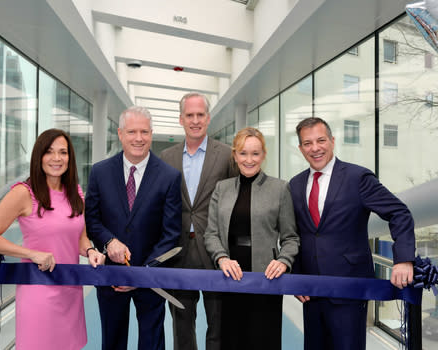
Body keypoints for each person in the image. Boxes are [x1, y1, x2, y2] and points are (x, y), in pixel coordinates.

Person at [289, 117, 416, 350]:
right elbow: (296, 234)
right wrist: (297, 277)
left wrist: (404, 259)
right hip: (312, 291)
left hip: (349, 288)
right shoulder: (295, 185)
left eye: (320, 140)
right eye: (307, 143)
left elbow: (399, 213)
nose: (315, 148)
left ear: (332, 141)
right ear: (300, 148)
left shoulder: (358, 177)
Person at [0, 128, 104, 350]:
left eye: (63, 152)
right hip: (39, 292)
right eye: (49, 152)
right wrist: (31, 253)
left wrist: (91, 251)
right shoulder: (23, 193)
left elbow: (81, 238)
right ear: (39, 157)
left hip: (70, 290)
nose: (57, 158)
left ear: (70, 158)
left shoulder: (75, 191)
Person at [85, 106, 182, 350]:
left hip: (150, 278)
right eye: (132, 132)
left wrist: (141, 274)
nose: (138, 138)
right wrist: (109, 242)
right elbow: (92, 220)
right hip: (110, 276)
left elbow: (170, 234)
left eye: (144, 132)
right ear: (120, 134)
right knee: (113, 341)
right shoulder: (99, 172)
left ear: (151, 133)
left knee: (152, 343)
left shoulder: (169, 176)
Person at [204, 127, 300, 350]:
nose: (249, 159)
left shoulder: (280, 188)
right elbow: (211, 233)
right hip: (229, 276)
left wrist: (283, 261)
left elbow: (291, 237)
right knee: (231, 339)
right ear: (235, 155)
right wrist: (222, 259)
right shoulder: (222, 188)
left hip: (266, 278)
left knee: (263, 340)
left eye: (255, 153)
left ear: (264, 155)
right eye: (243, 153)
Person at [160, 92, 237, 350]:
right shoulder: (166, 158)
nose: (195, 120)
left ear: (208, 118)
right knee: (181, 324)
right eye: (189, 115)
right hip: (177, 252)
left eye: (200, 115)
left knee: (219, 323)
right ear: (181, 119)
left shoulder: (227, 155)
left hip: (216, 252)